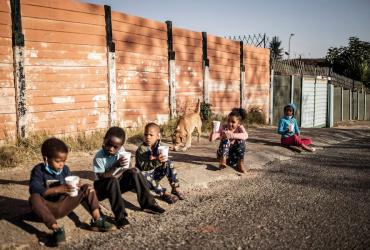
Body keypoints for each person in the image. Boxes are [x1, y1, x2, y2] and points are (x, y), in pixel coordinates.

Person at [29, 138, 114, 246]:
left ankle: (97, 219)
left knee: (87, 187)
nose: (61, 164)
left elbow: (71, 184)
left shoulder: (65, 170)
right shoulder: (38, 170)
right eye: (58, 161)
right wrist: (58, 189)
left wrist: (76, 185)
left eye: (64, 161)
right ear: (45, 159)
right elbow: (34, 189)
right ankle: (57, 230)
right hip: (48, 208)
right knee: (34, 198)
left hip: (64, 205)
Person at [93, 126, 165, 229]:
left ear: (121, 145)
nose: (111, 148)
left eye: (115, 147)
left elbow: (129, 168)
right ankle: (120, 216)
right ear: (104, 139)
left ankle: (148, 204)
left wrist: (128, 165)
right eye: (108, 144)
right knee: (112, 180)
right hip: (101, 189)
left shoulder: (121, 150)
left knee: (134, 171)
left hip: (116, 185)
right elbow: (101, 177)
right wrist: (116, 166)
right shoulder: (99, 156)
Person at [135, 123, 185, 204]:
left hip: (154, 175)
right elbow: (143, 167)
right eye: (146, 134)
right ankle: (163, 193)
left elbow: (163, 158)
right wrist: (157, 161)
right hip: (144, 179)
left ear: (158, 136)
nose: (148, 137)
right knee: (142, 174)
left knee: (168, 162)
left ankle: (175, 188)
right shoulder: (142, 149)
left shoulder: (160, 146)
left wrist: (160, 158)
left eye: (151, 135)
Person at [209, 108, 248, 173]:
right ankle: (223, 160)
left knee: (241, 141)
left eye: (233, 122)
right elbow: (211, 139)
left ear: (238, 123)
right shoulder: (224, 127)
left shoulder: (240, 128)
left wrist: (231, 135)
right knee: (225, 139)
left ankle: (240, 163)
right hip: (222, 156)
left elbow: (246, 136)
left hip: (234, 158)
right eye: (228, 121)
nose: (230, 123)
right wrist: (213, 130)